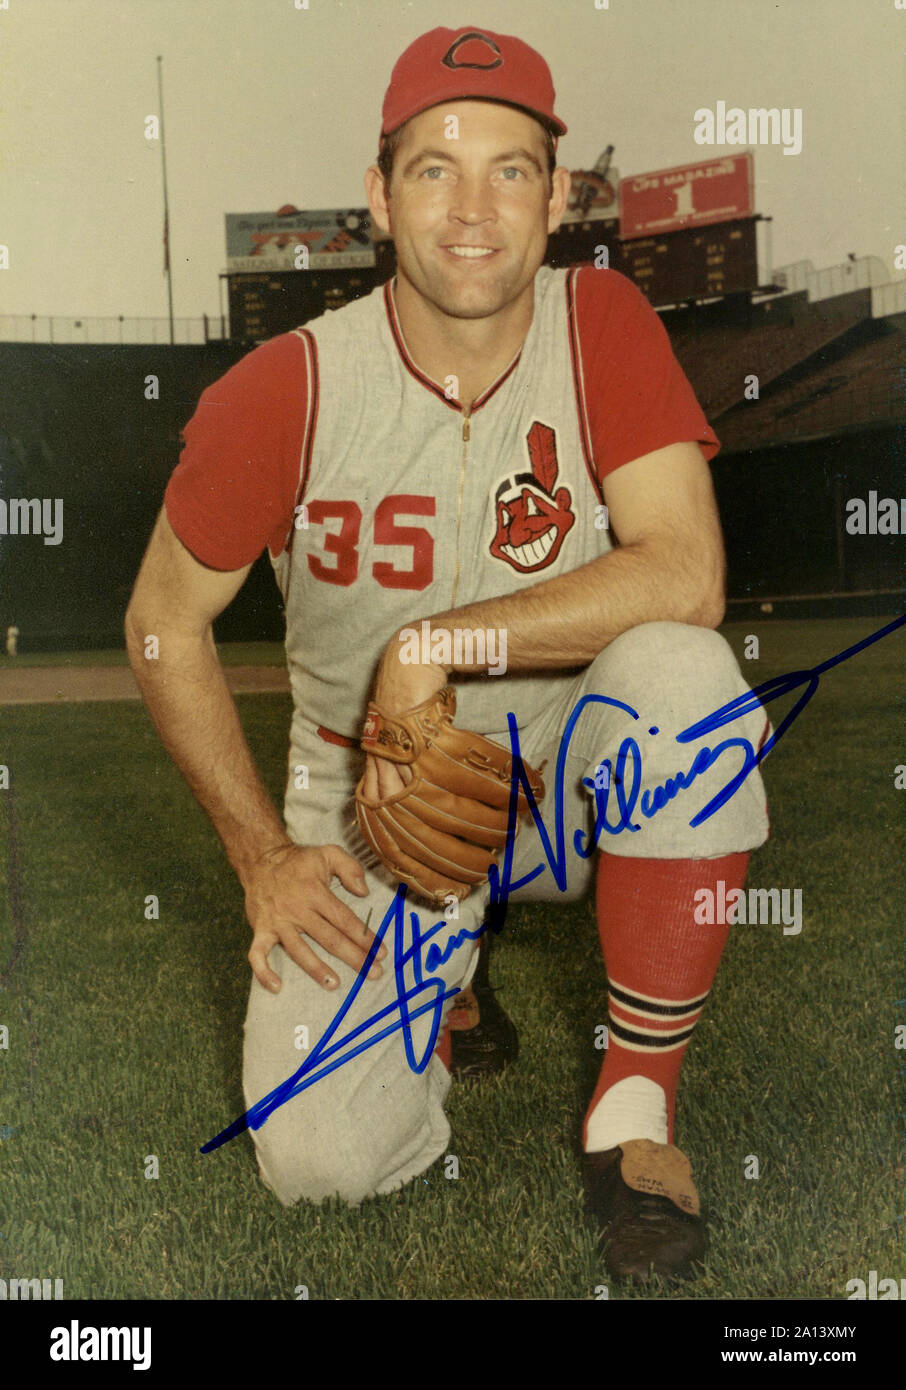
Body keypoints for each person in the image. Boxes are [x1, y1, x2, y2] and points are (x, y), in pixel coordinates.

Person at [126, 26, 771, 1283]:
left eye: (511, 169)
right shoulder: (288, 388)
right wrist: (262, 856)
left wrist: (438, 639)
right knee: (321, 1163)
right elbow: (161, 622)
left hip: (565, 775)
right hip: (378, 801)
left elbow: (687, 572)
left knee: (689, 683)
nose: (472, 210)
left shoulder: (602, 323)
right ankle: (441, 978)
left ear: (562, 196)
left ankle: (632, 1114)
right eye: (434, 169)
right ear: (378, 195)